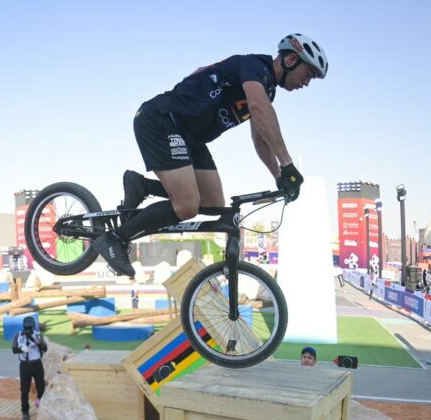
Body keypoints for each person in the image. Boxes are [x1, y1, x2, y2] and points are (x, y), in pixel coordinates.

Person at [95, 34, 328, 278]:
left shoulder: (266, 88)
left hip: (191, 137)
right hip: (163, 120)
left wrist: (279, 176)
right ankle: (114, 238)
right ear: (291, 59)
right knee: (187, 206)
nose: (307, 83)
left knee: (213, 204)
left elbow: (260, 137)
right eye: (309, 74)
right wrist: (288, 164)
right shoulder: (255, 66)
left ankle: (141, 185)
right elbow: (260, 110)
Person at [11, 316, 47, 420]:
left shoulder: (38, 335)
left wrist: (40, 344)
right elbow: (14, 350)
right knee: (24, 390)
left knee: (41, 387)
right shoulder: (18, 335)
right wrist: (21, 349)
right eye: (27, 328)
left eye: (30, 328)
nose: (28, 330)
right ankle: (25, 411)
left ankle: (41, 405)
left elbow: (45, 349)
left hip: (37, 364)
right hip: (25, 365)